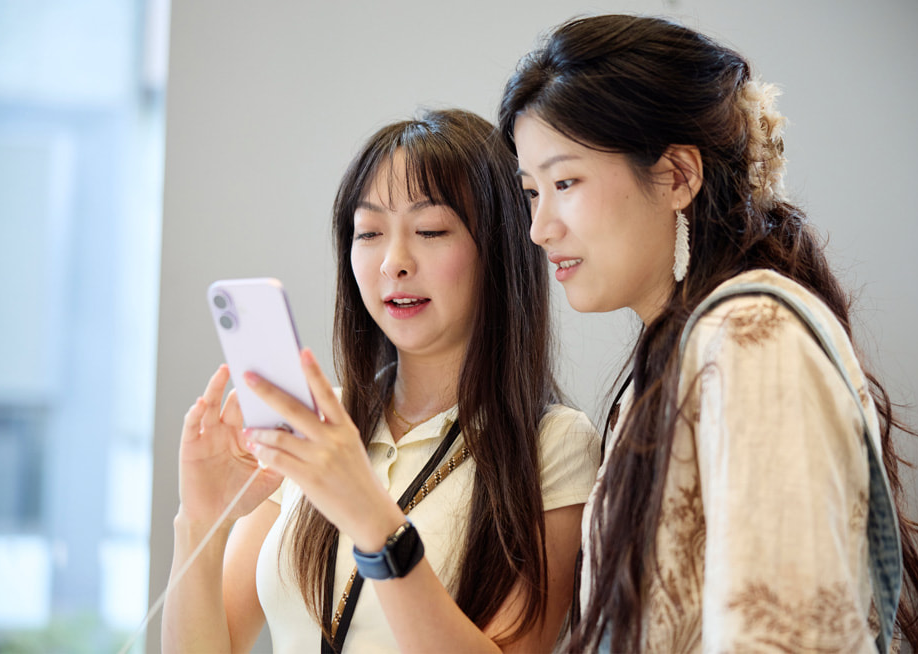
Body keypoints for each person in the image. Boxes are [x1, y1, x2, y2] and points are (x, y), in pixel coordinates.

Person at [499, 14, 918, 653]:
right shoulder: (681, 351)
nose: (540, 228)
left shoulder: (750, 339)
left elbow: (786, 634)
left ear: (678, 175)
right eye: (532, 192)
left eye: (565, 183)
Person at [162, 108, 600, 653]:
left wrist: (368, 514)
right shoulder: (320, 423)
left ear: (500, 249)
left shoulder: (553, 442)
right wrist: (199, 522)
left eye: (430, 230)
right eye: (368, 232)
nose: (393, 262)